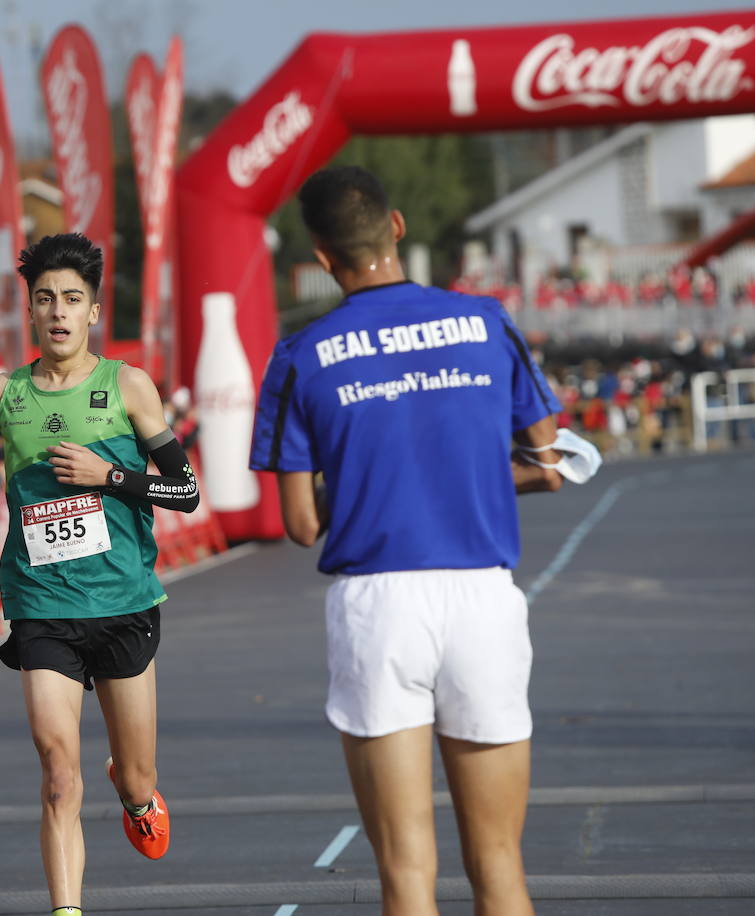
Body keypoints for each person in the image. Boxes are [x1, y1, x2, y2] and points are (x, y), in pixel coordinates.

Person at [249, 167, 566, 916]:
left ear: (322, 257)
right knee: (500, 867)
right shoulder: (488, 322)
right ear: (396, 228)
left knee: (405, 875)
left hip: (378, 606)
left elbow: (299, 524)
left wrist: (375, 480)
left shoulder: (301, 355)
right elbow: (548, 466)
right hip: (482, 597)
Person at [0, 233, 200, 916]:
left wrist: (109, 476)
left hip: (122, 600)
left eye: (72, 299)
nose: (58, 311)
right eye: (45, 298)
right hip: (41, 604)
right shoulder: (3, 392)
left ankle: (137, 790)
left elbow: (187, 492)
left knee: (135, 777)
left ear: (93, 312)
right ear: (29, 310)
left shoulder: (128, 386)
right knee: (59, 776)